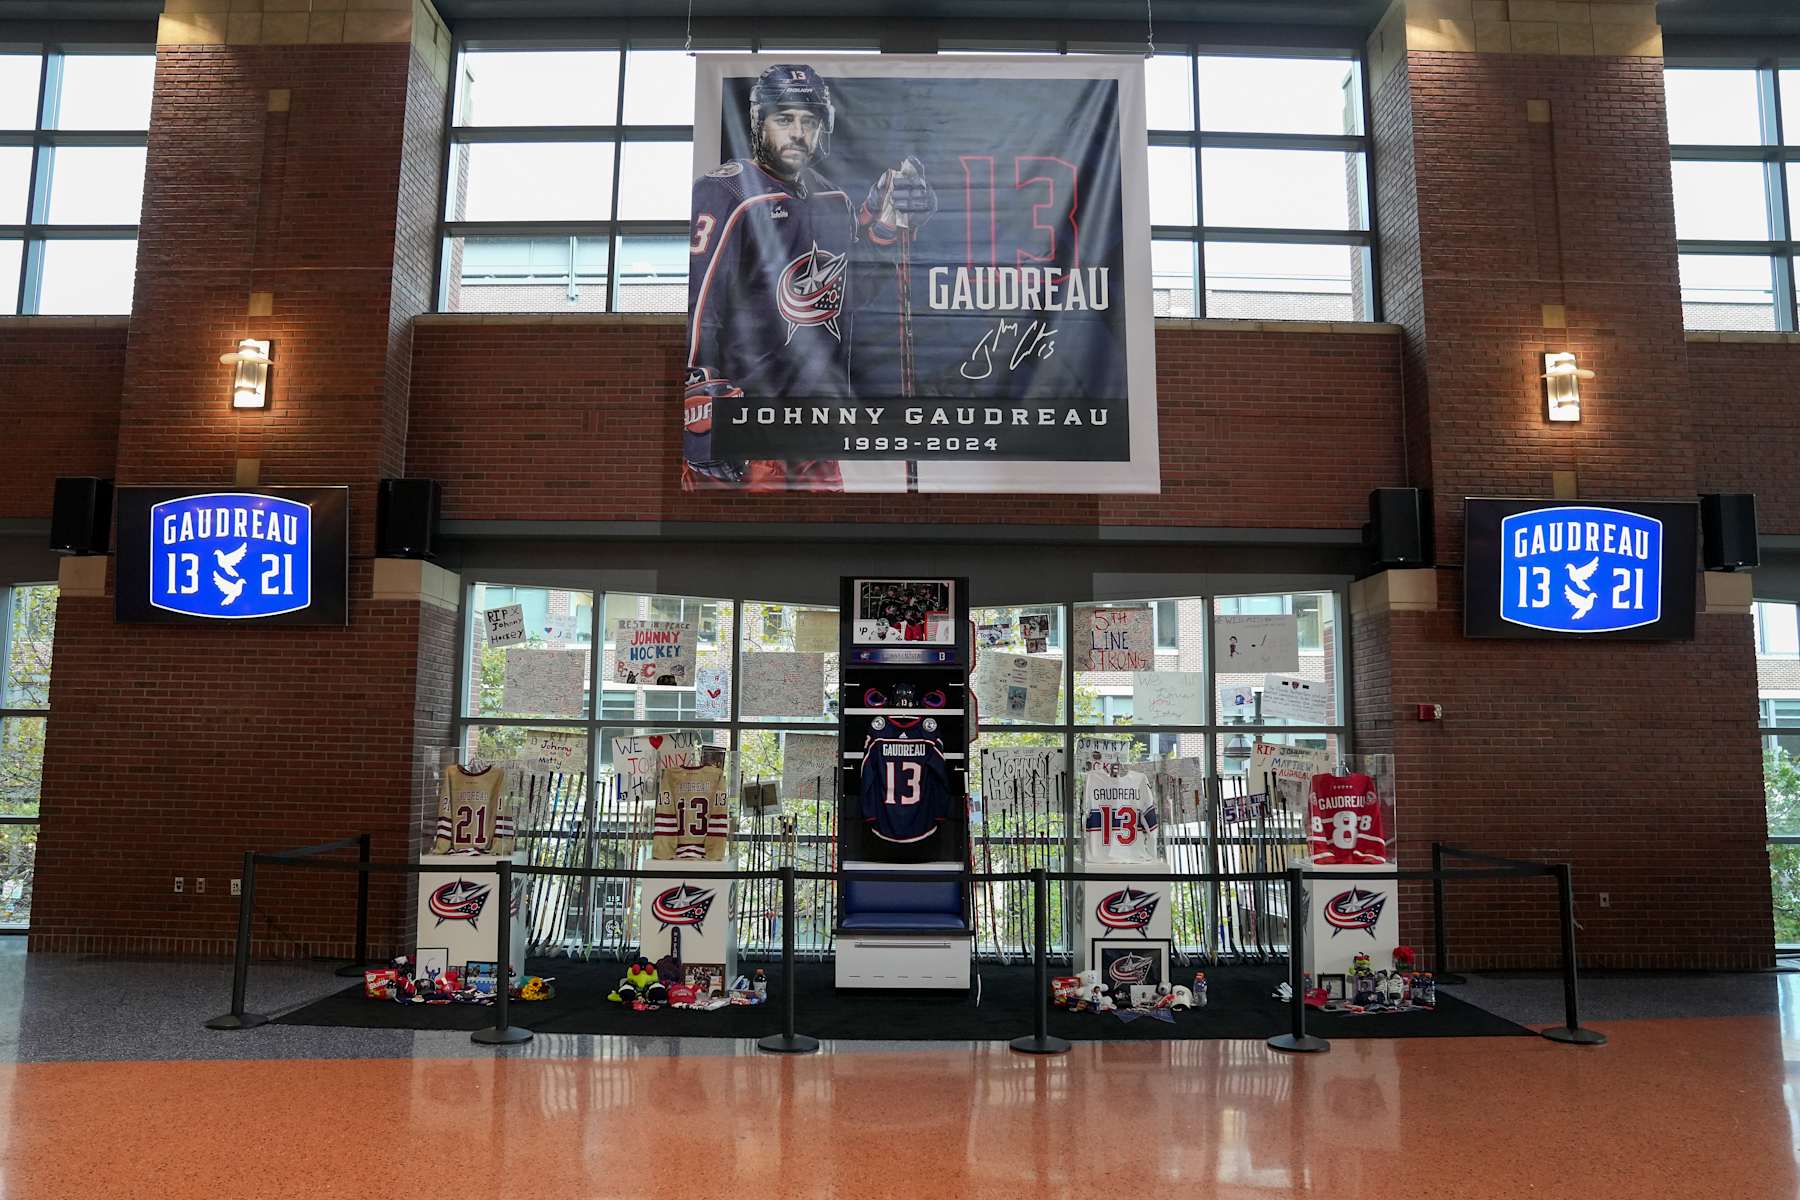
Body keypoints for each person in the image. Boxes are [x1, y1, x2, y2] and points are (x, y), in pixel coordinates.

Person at [683, 63, 937, 493]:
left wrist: (888, 226)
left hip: (814, 433)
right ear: (759, 122)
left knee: (823, 555)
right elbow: (699, 308)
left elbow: (848, 294)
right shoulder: (727, 193)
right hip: (749, 433)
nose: (798, 133)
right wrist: (699, 393)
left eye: (809, 121)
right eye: (784, 119)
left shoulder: (832, 200)